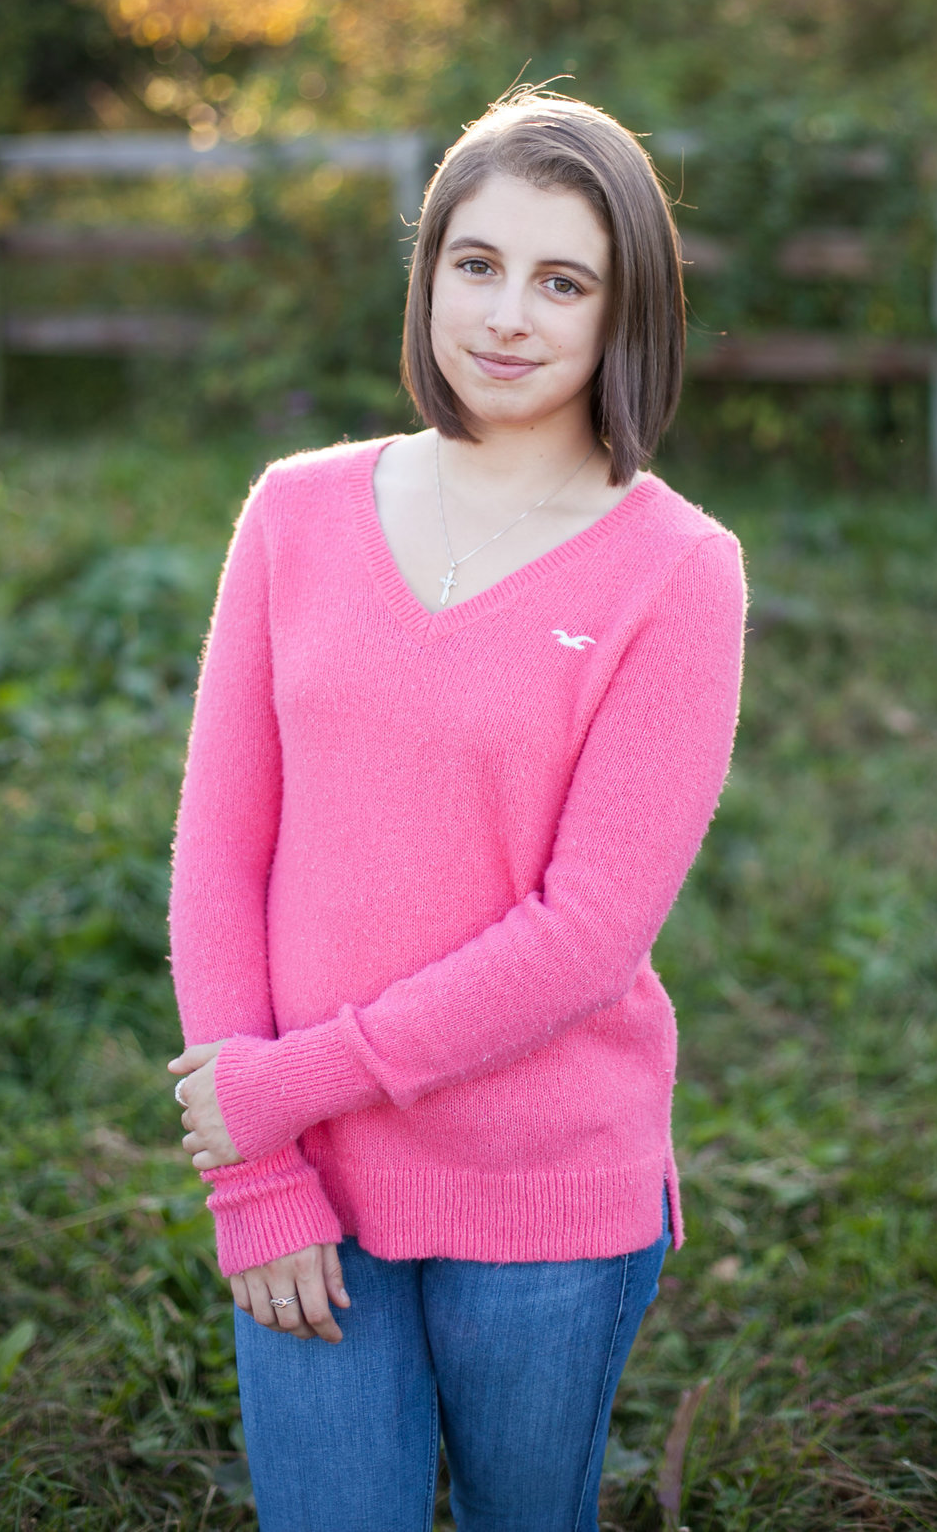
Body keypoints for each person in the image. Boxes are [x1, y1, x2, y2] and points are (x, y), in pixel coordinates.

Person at [164, 90, 748, 1529]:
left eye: (565, 281)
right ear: (426, 277)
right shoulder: (295, 513)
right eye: (473, 264)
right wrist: (263, 1174)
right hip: (308, 1187)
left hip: (545, 1196)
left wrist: (277, 1091)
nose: (507, 316)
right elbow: (220, 856)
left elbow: (587, 938)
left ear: (629, 315)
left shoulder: (678, 572)